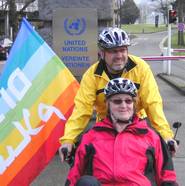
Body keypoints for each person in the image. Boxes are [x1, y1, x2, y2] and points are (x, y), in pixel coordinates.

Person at [59, 27, 176, 160]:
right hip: (106, 124)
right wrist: (68, 140)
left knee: (153, 159)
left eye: (122, 50)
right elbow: (82, 109)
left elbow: (153, 102)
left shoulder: (141, 68)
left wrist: (166, 136)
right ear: (101, 53)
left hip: (137, 121)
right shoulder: (91, 75)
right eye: (113, 51)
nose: (119, 56)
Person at [64, 78, 178, 186]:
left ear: (134, 104)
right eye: (117, 101)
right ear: (108, 105)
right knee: (86, 182)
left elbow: (167, 176)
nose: (123, 106)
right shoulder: (91, 136)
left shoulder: (151, 137)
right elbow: (74, 175)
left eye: (128, 101)